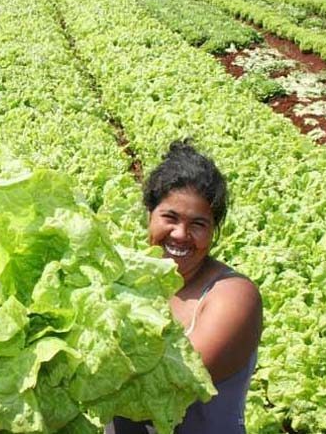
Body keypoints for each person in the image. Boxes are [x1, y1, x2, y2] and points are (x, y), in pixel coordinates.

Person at [108, 141, 263, 434]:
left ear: (214, 230)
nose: (180, 234)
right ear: (150, 215)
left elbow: (175, 383)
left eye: (198, 224)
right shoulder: (127, 278)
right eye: (170, 217)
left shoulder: (233, 295)